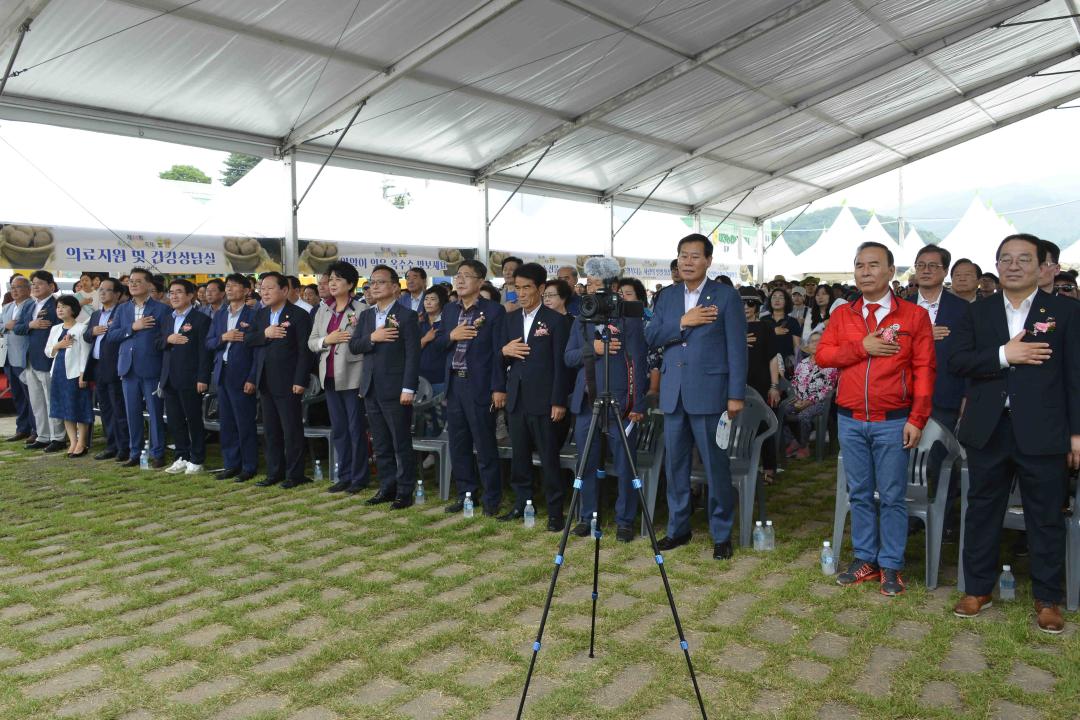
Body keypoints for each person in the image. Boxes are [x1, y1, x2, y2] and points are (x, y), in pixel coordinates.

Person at [949, 233, 1080, 634]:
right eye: (1005, 258)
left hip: (1043, 429)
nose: (1014, 265)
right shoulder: (977, 312)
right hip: (990, 428)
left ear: (1043, 266)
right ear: (997, 266)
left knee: (1045, 515)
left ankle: (1047, 598)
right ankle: (977, 589)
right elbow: (957, 360)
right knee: (982, 510)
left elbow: (1074, 376)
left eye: (1024, 258)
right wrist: (1006, 355)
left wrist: (1076, 434)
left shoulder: (1065, 311)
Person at [817, 242, 936, 596]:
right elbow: (823, 356)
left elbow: (925, 370)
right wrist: (861, 347)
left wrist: (918, 418)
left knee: (893, 495)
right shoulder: (843, 314)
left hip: (893, 420)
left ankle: (892, 564)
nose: (865, 271)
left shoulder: (913, 316)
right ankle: (865, 558)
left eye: (873, 265)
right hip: (850, 418)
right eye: (859, 265)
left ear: (890, 271)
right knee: (860, 493)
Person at [646, 234, 748, 561]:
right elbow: (650, 337)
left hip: (711, 393)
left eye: (694, 256)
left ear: (707, 261)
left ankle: (721, 533)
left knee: (715, 466)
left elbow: (736, 348)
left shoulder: (726, 296)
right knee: (675, 466)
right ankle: (678, 528)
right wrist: (682, 322)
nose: (687, 262)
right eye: (682, 256)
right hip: (673, 393)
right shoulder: (667, 297)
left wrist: (735, 395)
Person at [566, 257, 647, 542]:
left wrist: (637, 404)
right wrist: (594, 349)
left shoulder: (629, 318)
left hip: (621, 403)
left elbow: (639, 360)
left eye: (596, 283)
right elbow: (569, 357)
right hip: (588, 401)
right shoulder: (582, 317)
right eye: (588, 283)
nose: (590, 288)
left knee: (625, 463)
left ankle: (625, 520)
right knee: (585, 461)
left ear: (612, 286)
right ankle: (586, 517)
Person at [495, 262, 569, 530]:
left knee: (549, 459)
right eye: (517, 288)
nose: (522, 293)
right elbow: (499, 359)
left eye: (527, 287)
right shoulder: (510, 318)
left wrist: (559, 401)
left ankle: (555, 511)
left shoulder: (556, 321)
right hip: (517, 398)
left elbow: (562, 366)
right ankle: (522, 504)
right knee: (520, 457)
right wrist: (504, 352)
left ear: (540, 288)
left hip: (545, 400)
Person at [434, 259, 506, 515]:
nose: (460, 280)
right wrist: (452, 335)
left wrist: (499, 388)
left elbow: (499, 353)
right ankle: (466, 495)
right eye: (458, 275)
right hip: (455, 384)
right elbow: (440, 342)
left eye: (466, 275)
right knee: (459, 444)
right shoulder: (451, 311)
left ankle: (491, 499)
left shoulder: (493, 311)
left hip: (480, 386)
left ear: (480, 281)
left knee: (484, 445)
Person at [349, 265, 420, 509]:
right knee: (380, 443)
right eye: (371, 282)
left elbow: (413, 355)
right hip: (370, 387)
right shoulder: (367, 315)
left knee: (401, 442)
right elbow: (355, 346)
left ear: (394, 287)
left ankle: (405, 491)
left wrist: (408, 388)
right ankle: (386, 487)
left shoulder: (406, 316)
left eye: (380, 282)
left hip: (396, 387)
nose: (374, 286)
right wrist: (372, 338)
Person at [245, 272, 314, 488]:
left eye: (269, 288)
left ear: (284, 291)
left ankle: (295, 475)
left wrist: (300, 379)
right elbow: (249, 340)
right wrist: (265, 333)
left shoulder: (299, 315)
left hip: (289, 380)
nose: (264, 292)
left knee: (291, 430)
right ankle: (274, 472)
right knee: (271, 430)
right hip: (265, 380)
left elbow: (305, 351)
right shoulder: (261, 315)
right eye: (261, 288)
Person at [309, 261, 371, 495]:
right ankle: (343, 475)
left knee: (356, 429)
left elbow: (366, 344)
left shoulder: (362, 310)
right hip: (330, 375)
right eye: (330, 280)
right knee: (339, 429)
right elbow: (312, 342)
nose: (331, 284)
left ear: (350, 284)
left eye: (337, 279)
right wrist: (327, 340)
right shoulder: (323, 309)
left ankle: (359, 477)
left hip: (353, 375)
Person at [106, 268, 172, 468]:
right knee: (132, 412)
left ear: (149, 285)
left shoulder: (162, 309)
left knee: (155, 413)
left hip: (151, 367)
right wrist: (132, 328)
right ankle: (135, 453)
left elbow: (164, 339)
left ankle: (157, 452)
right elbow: (111, 336)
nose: (133, 284)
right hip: (127, 368)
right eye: (131, 281)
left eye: (137, 281)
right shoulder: (122, 308)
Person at [912, 245, 971, 433]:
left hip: (946, 395)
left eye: (932, 265)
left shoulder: (963, 309)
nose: (926, 270)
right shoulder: (900, 306)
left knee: (938, 456)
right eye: (920, 265)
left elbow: (970, 356)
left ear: (945, 271)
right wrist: (922, 335)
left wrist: (966, 396)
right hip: (904, 396)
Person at [207, 273, 259, 482]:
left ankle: (249, 466)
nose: (229, 289)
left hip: (243, 373)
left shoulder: (255, 314)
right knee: (226, 422)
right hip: (223, 372)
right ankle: (231, 464)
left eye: (234, 286)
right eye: (227, 286)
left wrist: (252, 378)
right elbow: (209, 342)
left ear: (246, 291)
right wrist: (223, 338)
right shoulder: (220, 315)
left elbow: (258, 350)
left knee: (244, 422)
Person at [158, 279, 211, 475]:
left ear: (191, 295)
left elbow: (204, 352)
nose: (174, 296)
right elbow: (158, 343)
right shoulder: (167, 319)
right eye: (171, 292)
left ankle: (197, 459)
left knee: (193, 419)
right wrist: (167, 339)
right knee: (175, 420)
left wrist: (202, 378)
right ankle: (181, 455)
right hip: (169, 377)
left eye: (179, 292)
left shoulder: (201, 319)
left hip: (191, 377)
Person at [15, 270, 65, 452]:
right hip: (30, 359)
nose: (35, 286)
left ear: (51, 286)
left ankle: (58, 437)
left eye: (39, 283)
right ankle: (43, 435)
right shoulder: (29, 306)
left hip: (48, 358)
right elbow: (17, 328)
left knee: (51, 400)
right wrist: (31, 324)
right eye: (33, 283)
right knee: (37, 401)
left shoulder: (57, 305)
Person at [82, 277, 129, 461]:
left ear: (117, 294)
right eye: (100, 289)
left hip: (115, 365)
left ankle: (123, 447)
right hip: (97, 365)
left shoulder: (122, 312)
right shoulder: (96, 314)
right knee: (106, 409)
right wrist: (92, 332)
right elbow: (87, 335)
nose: (102, 293)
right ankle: (111, 445)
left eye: (107, 290)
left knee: (119, 408)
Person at [740, 287, 782, 482]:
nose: (746, 308)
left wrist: (774, 386)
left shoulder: (765, 327)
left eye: (750, 304)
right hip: (735, 384)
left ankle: (769, 467)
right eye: (741, 303)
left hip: (761, 383)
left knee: (764, 425)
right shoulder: (729, 327)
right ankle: (740, 464)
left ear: (757, 306)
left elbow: (773, 358)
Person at [45, 295, 93, 457]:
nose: (59, 309)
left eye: (64, 306)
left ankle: (82, 442)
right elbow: (48, 351)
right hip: (58, 372)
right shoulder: (55, 329)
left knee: (78, 407)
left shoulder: (81, 328)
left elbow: (84, 354)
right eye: (58, 306)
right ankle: (72, 441)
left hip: (75, 374)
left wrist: (82, 375)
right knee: (65, 409)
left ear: (73, 309)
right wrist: (59, 345)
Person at [782, 331, 837, 458]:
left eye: (819, 341)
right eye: (812, 341)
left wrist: (809, 401)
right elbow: (795, 383)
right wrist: (797, 399)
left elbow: (827, 389)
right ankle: (793, 441)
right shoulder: (803, 364)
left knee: (803, 416)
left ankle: (802, 445)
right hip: (800, 399)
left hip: (820, 402)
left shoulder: (830, 363)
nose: (815, 343)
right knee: (783, 410)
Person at [1, 275, 35, 443]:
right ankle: (22, 428)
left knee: (30, 395)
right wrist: (6, 326)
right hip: (8, 357)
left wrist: (11, 327)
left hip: (23, 356)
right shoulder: (7, 307)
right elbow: (1, 325)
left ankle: (35, 429)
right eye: (12, 287)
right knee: (17, 395)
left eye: (18, 287)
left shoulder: (32, 305)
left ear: (28, 289)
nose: (14, 290)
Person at [418, 285, 449, 437]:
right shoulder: (419, 323)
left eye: (433, 299)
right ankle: (429, 454)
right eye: (426, 299)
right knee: (425, 419)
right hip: (421, 379)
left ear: (441, 302)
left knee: (441, 418)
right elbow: (409, 350)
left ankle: (439, 454)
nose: (428, 302)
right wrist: (424, 340)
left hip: (440, 378)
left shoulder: (446, 324)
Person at [762, 287, 801, 373]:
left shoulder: (792, 321)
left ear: (786, 301)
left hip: (786, 365)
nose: (777, 300)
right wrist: (773, 332)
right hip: (765, 363)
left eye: (781, 297)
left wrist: (797, 366)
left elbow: (797, 347)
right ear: (770, 301)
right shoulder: (763, 320)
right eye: (774, 297)